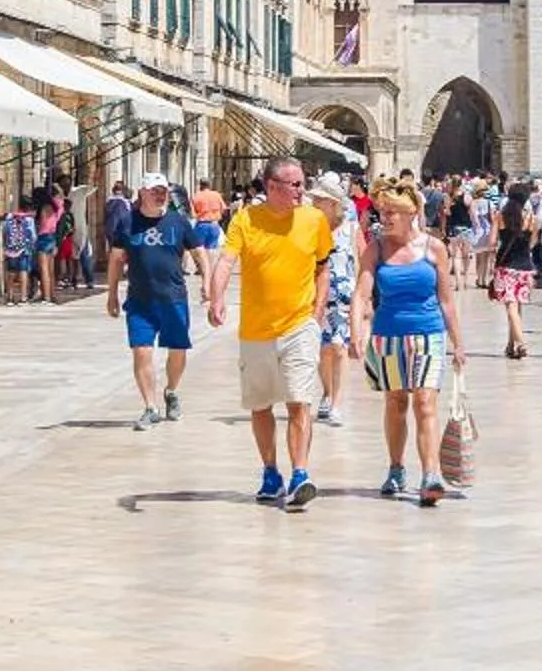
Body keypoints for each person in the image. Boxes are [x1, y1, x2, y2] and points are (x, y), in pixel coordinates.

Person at [208, 156, 334, 508]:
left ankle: (300, 474)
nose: (301, 190)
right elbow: (226, 261)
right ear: (271, 187)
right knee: (261, 405)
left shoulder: (314, 220)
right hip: (256, 330)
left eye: (302, 183)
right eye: (294, 184)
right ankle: (270, 472)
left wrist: (318, 308)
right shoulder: (246, 219)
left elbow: (323, 267)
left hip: (299, 326)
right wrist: (216, 298)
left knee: (299, 401)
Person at [356, 181, 464, 503]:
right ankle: (396, 467)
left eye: (392, 212)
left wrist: (458, 343)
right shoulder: (375, 248)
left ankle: (430, 475)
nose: (384, 217)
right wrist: (356, 330)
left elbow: (446, 300)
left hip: (428, 333)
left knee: (425, 401)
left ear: (411, 212)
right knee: (396, 402)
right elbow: (362, 293)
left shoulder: (434, 248)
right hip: (388, 334)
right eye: (382, 211)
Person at [108, 173, 198, 430]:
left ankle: (171, 391)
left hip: (173, 298)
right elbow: (115, 260)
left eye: (163, 191)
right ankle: (150, 406)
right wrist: (112, 293)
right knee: (142, 351)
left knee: (178, 351)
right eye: (154, 191)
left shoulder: (178, 222)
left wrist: (209, 285)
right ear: (142, 193)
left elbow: (198, 251)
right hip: (140, 300)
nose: (159, 195)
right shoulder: (127, 223)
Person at [309, 173, 361, 427]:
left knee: (340, 348)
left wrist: (365, 299)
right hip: (317, 295)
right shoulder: (309, 228)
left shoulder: (350, 228)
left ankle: (336, 402)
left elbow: (361, 262)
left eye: (320, 199)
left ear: (332, 203)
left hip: (344, 295)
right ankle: (327, 393)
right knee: (323, 350)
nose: (315, 202)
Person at [493, 181, 538, 358]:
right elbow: (532, 243)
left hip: (506, 267)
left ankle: (521, 343)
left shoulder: (500, 216)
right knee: (517, 308)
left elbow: (492, 242)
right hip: (525, 267)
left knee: (511, 307)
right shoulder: (531, 218)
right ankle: (510, 344)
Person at [0, 195, 37, 308]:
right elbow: (33, 236)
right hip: (24, 249)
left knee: (11, 272)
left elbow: (4, 232)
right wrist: (32, 247)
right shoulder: (29, 219)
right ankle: (23, 298)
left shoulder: (9, 216)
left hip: (11, 249)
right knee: (23, 272)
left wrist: (5, 246)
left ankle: (10, 297)